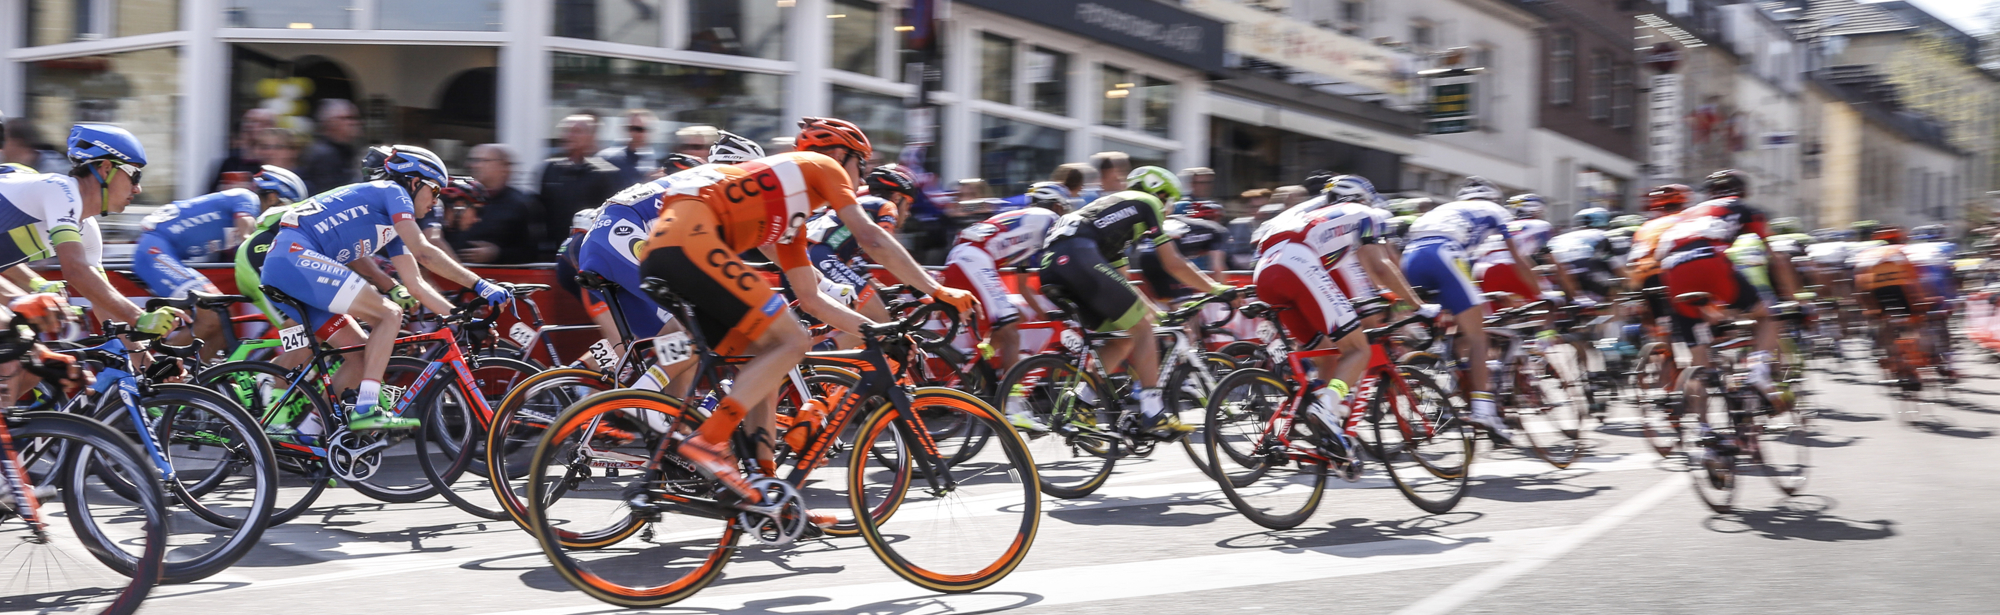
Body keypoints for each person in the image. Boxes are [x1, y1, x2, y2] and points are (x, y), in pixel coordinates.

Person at [634, 117, 977, 506]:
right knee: (792, 339)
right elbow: (871, 238)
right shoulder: (821, 165)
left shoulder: (788, 216)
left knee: (767, 358)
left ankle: (766, 492)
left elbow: (811, 298)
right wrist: (936, 288)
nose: (859, 178)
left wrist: (876, 332)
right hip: (692, 242)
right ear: (839, 154)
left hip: (663, 250)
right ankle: (710, 440)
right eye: (860, 165)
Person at [260, 145, 511, 431]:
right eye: (435, 191)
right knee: (388, 314)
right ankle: (367, 407)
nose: (436, 202)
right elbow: (425, 252)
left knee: (360, 357)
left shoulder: (391, 225)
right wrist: (482, 286)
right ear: (415, 182)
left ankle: (311, 435)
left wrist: (461, 320)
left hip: (291, 266)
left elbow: (415, 284)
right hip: (293, 259)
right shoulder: (393, 192)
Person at [1252, 174, 1434, 471]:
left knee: (1329, 355)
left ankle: (1320, 428)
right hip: (1296, 265)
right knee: (1358, 350)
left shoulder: (1315, 217)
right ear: (1364, 199)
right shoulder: (1367, 214)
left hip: (1264, 273)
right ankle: (1325, 409)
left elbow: (1345, 280)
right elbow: (1378, 266)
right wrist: (1419, 306)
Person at [1038, 166, 1230, 438]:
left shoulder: (1112, 221)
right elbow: (1172, 262)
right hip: (1077, 258)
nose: (1167, 210)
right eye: (1169, 202)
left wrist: (1157, 314)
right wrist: (1216, 288)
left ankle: (1079, 404)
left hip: (1053, 268)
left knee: (1125, 336)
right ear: (1159, 192)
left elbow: (1122, 283)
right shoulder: (1145, 201)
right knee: (1143, 329)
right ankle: (1153, 411)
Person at [0, 124, 188, 361]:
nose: (138, 189)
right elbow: (75, 270)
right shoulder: (59, 189)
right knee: (24, 353)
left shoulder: (86, 229)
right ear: (106, 168)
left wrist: (147, 365)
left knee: (32, 361)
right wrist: (139, 318)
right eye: (134, 175)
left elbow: (103, 304)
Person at [1399, 176, 1542, 442]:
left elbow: (1468, 268)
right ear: (1493, 199)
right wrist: (1541, 293)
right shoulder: (1496, 211)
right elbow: (1518, 259)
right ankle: (1483, 409)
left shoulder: (1443, 211)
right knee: (1479, 337)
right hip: (1443, 254)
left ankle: (1443, 371)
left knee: (1456, 325)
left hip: (1410, 258)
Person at [1655, 169, 1802, 414]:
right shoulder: (1743, 208)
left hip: (1671, 273)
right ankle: (1757, 371)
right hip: (1709, 263)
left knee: (1700, 363)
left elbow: (1661, 253)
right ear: (1742, 192)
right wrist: (1793, 298)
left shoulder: (1686, 215)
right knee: (1771, 314)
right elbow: (1776, 258)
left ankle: (1706, 434)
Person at [948, 182, 1068, 429]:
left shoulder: (1029, 227)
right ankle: (1012, 407)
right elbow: (1061, 266)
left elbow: (1024, 287)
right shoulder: (1048, 218)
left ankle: (976, 364)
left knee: (1016, 319)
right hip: (975, 259)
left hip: (967, 258)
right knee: (1011, 329)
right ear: (1057, 206)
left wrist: (1048, 315)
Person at [131, 171, 276, 357]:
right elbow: (247, 240)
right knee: (213, 316)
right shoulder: (247, 198)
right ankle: (154, 370)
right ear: (273, 198)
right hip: (154, 251)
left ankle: (197, 381)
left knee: (225, 319)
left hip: (163, 251)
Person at [796, 164, 912, 337]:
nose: (908, 213)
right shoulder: (886, 206)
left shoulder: (860, 204)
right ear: (896, 197)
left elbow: (855, 267)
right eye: (908, 205)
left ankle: (823, 355)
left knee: (852, 319)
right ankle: (826, 353)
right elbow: (886, 250)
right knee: (880, 322)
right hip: (822, 255)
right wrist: (918, 287)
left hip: (807, 255)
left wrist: (881, 289)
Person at [537, 115, 620, 259]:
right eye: (566, 130)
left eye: (576, 131)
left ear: (591, 136)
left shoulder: (605, 173)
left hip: (587, 252)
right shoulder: (550, 169)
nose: (569, 135)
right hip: (554, 252)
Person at [1548, 207, 1620, 300]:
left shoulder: (1559, 238)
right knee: (1615, 294)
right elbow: (1616, 264)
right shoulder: (1601, 234)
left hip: (1562, 273)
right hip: (1585, 271)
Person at [296, 99, 362, 196]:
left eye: (355, 118)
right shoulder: (324, 154)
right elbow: (331, 196)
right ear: (329, 122)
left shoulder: (346, 149)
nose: (353, 123)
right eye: (346, 118)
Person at [208, 109, 276, 192]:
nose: (253, 127)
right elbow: (210, 195)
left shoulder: (278, 159)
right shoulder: (231, 162)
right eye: (249, 122)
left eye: (261, 123)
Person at [599, 109, 660, 186]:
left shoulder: (655, 161)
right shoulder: (607, 158)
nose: (635, 133)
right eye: (631, 128)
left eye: (640, 129)